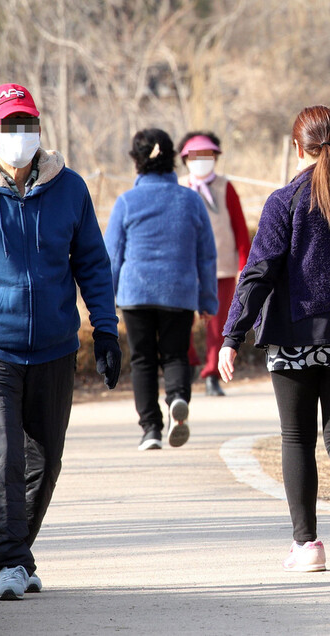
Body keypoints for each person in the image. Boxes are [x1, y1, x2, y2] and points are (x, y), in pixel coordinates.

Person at [218, 105, 330, 573]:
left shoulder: (284, 201)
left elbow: (259, 272)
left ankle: (308, 546)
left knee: (296, 439)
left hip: (293, 335)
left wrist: (232, 335)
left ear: (298, 148)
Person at [0, 83, 121, 600]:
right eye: (10, 126)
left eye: (28, 124)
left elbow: (93, 264)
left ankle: (18, 554)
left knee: (45, 461)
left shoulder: (70, 187)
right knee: (3, 452)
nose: (21, 135)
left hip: (56, 346)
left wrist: (105, 329)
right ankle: (9, 561)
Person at [105, 128, 217, 451]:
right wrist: (207, 299)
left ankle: (150, 429)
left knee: (142, 360)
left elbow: (111, 256)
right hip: (178, 292)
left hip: (135, 293)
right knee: (175, 355)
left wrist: (104, 301)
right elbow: (206, 256)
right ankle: (178, 399)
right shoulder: (191, 201)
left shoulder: (126, 202)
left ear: (136, 162)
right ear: (172, 160)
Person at [177, 131, 250, 397]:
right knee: (182, 321)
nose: (202, 161)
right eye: (196, 156)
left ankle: (212, 373)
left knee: (217, 324)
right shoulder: (179, 186)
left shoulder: (224, 186)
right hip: (185, 268)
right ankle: (189, 363)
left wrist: (245, 262)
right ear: (185, 159)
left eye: (207, 155)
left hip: (222, 267)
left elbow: (240, 227)